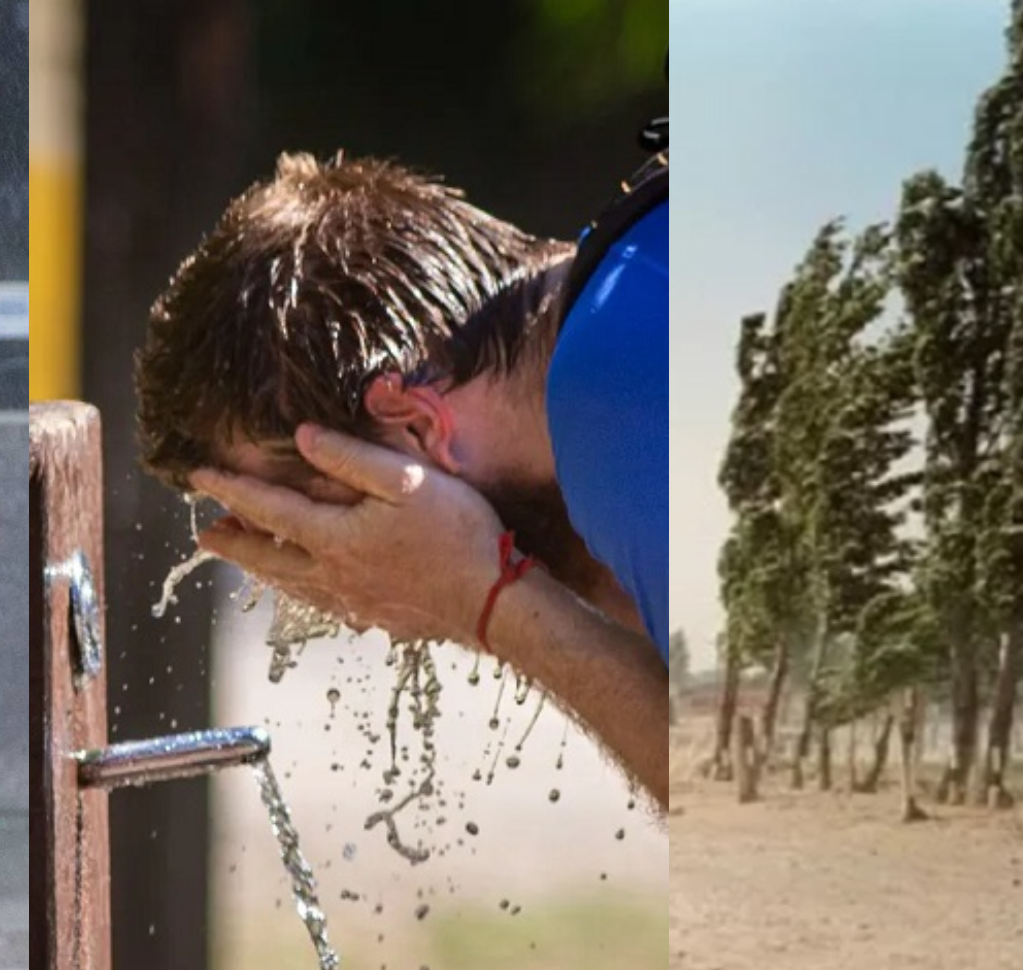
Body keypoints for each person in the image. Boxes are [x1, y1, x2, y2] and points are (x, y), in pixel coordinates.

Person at [134, 151, 669, 809]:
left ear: (413, 427)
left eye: (307, 516)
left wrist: (486, 599)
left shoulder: (618, 392)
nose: (339, 573)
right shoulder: (645, 269)